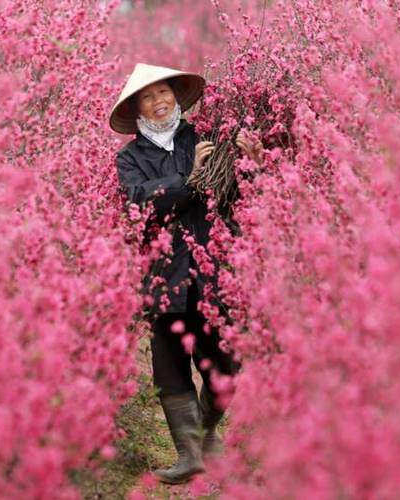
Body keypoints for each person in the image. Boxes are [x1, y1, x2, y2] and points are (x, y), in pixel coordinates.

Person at [109, 63, 262, 484]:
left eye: (164, 93)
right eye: (148, 96)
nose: (159, 101)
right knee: (171, 366)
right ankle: (189, 455)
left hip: (215, 268)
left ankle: (209, 431)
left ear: (177, 96)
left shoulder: (205, 139)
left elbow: (235, 193)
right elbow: (138, 202)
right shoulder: (130, 158)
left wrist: (251, 163)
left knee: (224, 363)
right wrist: (187, 177)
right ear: (137, 107)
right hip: (164, 274)